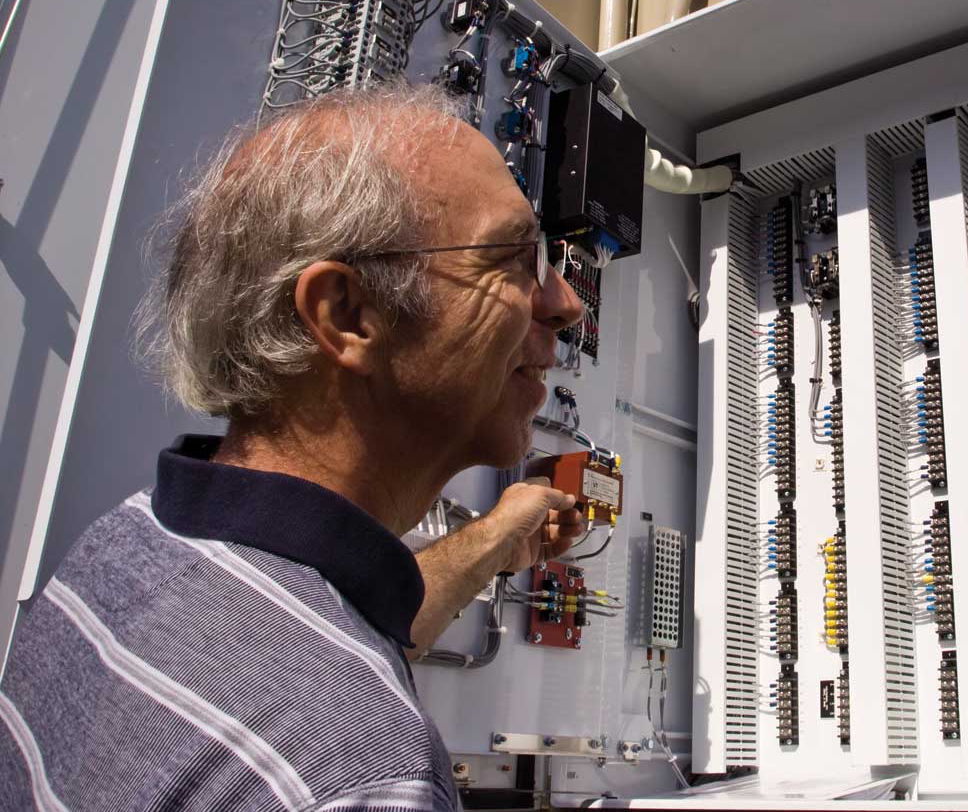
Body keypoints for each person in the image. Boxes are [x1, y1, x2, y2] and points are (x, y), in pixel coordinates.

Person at [0, 83, 587, 810]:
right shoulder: (368, 778)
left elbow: (327, 643)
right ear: (347, 315)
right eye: (514, 259)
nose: (566, 302)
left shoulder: (134, 540)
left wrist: (499, 539)